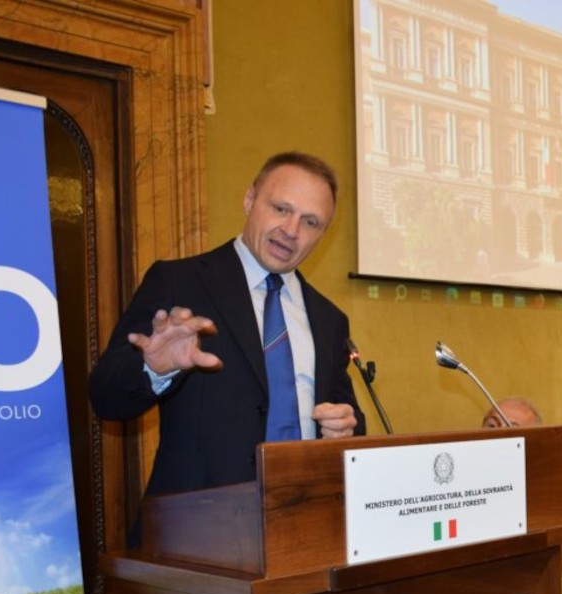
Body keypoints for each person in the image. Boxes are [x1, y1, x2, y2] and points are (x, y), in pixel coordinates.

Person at [89, 151, 365, 503]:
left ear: (323, 234)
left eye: (310, 222)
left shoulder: (329, 319)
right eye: (281, 209)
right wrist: (152, 369)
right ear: (250, 200)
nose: (291, 231)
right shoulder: (179, 282)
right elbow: (106, 399)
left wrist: (345, 428)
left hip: (303, 517)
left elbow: (349, 420)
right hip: (197, 528)